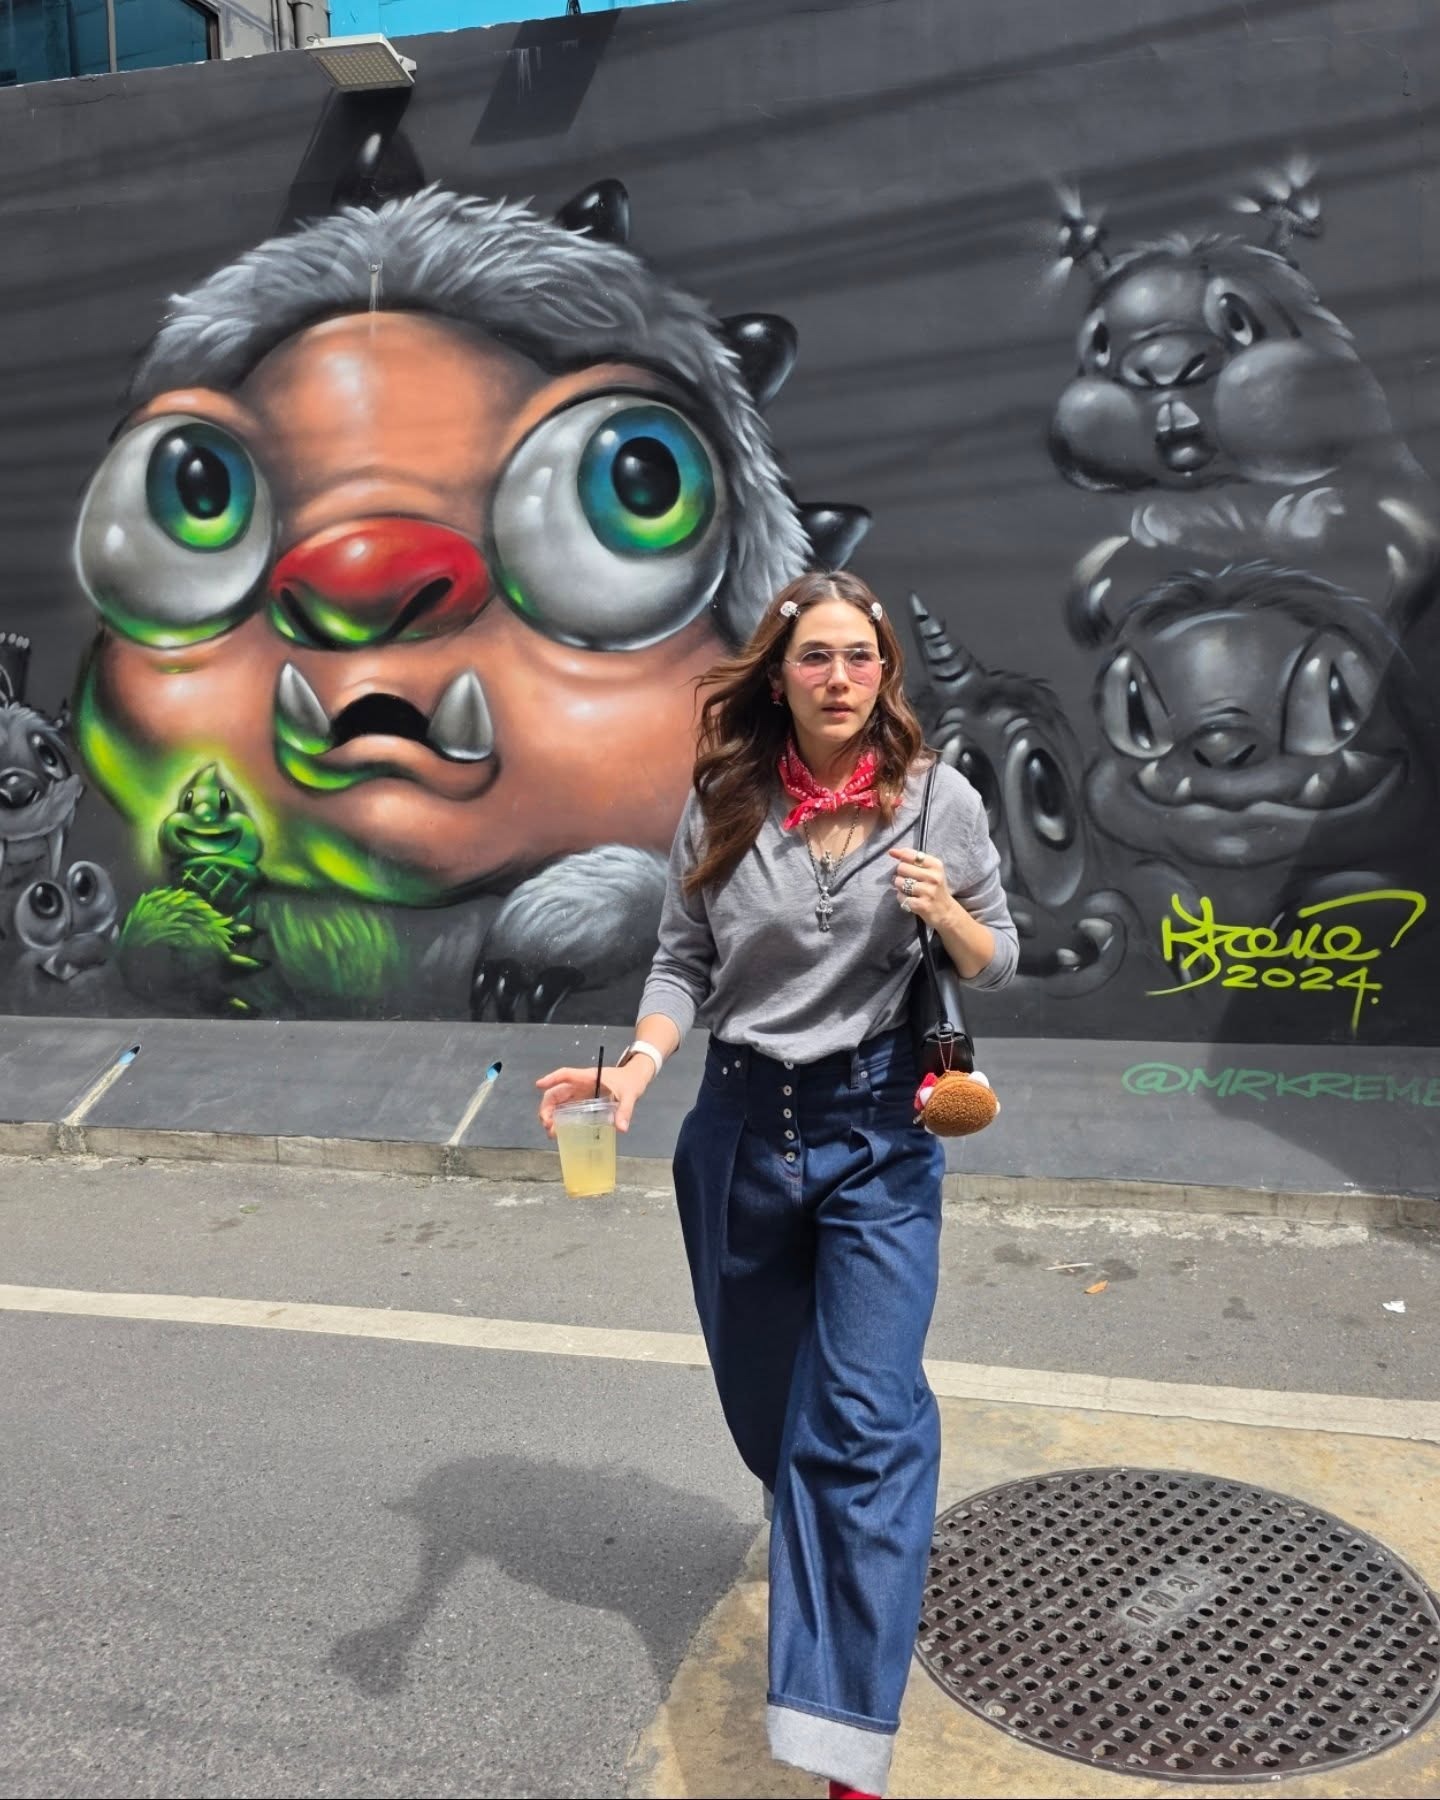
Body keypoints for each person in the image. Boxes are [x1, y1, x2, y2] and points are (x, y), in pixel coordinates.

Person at [537, 569, 1017, 1799]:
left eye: (860, 656)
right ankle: (833, 1522)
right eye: (817, 657)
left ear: (885, 671)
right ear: (781, 674)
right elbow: (680, 961)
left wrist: (946, 910)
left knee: (861, 1424)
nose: (840, 677)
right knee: (774, 1421)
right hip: (743, 1132)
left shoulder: (939, 800)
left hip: (879, 1135)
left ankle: (844, 1745)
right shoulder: (725, 800)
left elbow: (997, 954)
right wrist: (638, 1067)